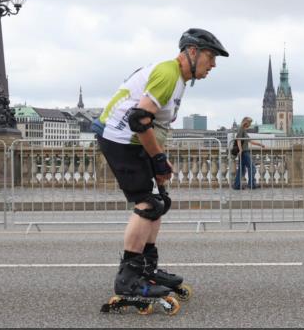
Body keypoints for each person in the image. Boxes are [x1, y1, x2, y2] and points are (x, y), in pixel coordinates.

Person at [93, 28, 228, 300]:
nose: (213, 65)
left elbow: (157, 125)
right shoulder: (168, 73)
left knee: (159, 203)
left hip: (134, 140)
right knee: (147, 203)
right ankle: (128, 277)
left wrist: (159, 161)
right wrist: (158, 158)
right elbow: (139, 119)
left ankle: (147, 267)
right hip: (121, 138)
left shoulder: (178, 79)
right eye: (210, 57)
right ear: (192, 52)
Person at [232, 116, 265, 189]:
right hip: (244, 152)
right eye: (249, 123)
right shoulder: (241, 129)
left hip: (243, 152)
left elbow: (250, 141)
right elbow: (238, 140)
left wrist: (260, 144)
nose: (250, 124)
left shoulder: (243, 130)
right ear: (246, 122)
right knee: (252, 168)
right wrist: (240, 150)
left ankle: (237, 185)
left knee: (242, 170)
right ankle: (251, 184)